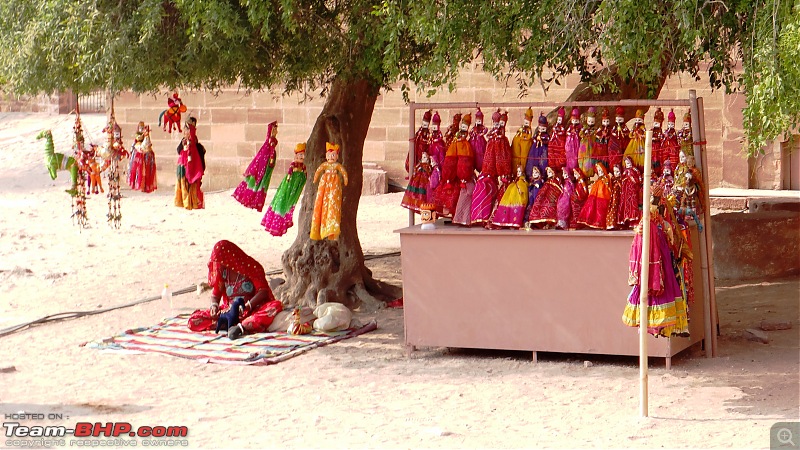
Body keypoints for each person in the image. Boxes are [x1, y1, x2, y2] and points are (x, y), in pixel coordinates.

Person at [188, 240, 283, 340]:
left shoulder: (251, 267)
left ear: (230, 256)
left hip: (252, 309)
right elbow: (216, 294)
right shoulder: (223, 271)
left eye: (222, 260)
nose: (219, 264)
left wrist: (247, 306)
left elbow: (263, 291)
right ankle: (233, 325)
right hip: (229, 311)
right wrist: (214, 306)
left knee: (275, 306)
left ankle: (240, 327)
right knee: (193, 320)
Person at [232, 121, 278, 212]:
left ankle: (250, 198)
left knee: (257, 181)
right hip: (266, 162)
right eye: (275, 129)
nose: (277, 131)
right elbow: (271, 151)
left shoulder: (268, 140)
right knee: (260, 181)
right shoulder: (271, 140)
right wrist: (272, 161)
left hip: (264, 160)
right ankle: (253, 199)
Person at [310, 142, 349, 240]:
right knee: (323, 199)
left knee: (333, 200)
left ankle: (331, 227)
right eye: (329, 155)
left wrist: (345, 180)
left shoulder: (337, 166)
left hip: (334, 183)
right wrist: (315, 179)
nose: (331, 157)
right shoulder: (325, 165)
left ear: (337, 156)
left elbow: (343, 172)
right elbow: (319, 170)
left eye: (333, 155)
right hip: (325, 182)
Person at [174, 116, 206, 210]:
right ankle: (184, 202)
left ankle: (191, 202)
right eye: (185, 129)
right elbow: (178, 150)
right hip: (183, 164)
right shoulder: (184, 141)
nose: (185, 131)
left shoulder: (194, 142)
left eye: (187, 129)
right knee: (183, 183)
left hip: (191, 166)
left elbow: (198, 154)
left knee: (190, 184)